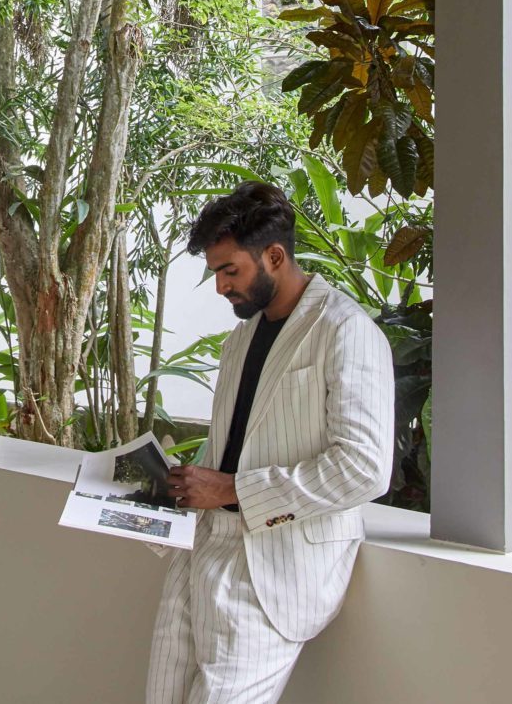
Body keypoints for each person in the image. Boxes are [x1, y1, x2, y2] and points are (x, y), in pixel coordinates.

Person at [146, 181, 394, 704]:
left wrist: (234, 490)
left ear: (275, 256)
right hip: (202, 552)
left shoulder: (346, 330)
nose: (219, 287)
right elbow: (237, 443)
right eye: (215, 272)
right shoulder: (241, 337)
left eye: (229, 270)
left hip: (273, 570)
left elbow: (365, 467)